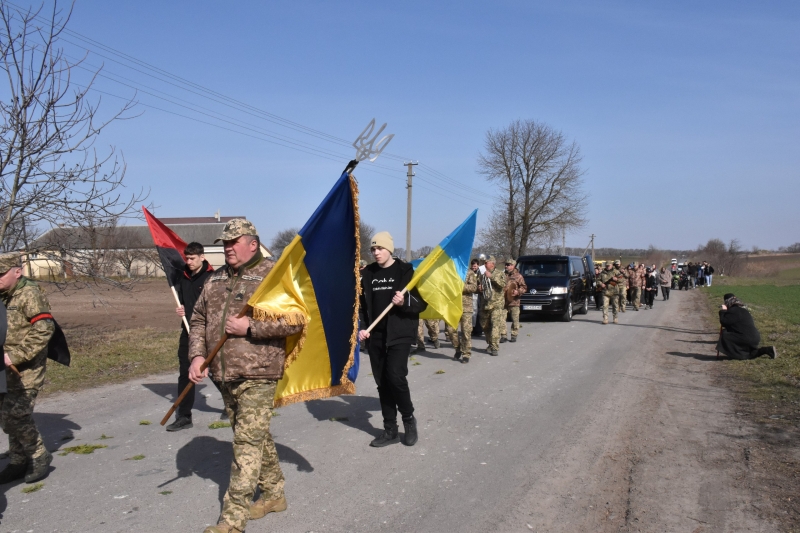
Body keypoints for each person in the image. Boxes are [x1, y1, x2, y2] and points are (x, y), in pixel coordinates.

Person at [188, 219, 303, 533]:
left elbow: (296, 320)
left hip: (259, 373)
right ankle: (274, 494)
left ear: (253, 243)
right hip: (223, 374)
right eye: (225, 243)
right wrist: (197, 355)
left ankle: (232, 520)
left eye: (233, 242)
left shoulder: (273, 276)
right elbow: (197, 319)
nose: (227, 248)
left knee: (246, 445)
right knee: (255, 436)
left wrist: (251, 327)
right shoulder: (215, 280)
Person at [358, 232, 427, 448]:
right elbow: (360, 307)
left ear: (390, 249)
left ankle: (408, 420)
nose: (376, 253)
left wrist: (404, 301)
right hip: (375, 335)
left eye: (380, 249)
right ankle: (390, 430)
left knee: (396, 376)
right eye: (373, 249)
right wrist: (360, 329)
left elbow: (421, 304)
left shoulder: (405, 271)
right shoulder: (367, 273)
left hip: (399, 333)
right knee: (382, 382)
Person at [0, 253, 55, 485]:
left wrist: (15, 356)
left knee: (16, 414)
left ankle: (39, 455)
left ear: (17, 272)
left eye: (1, 274)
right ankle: (18, 460)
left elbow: (44, 329)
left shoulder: (29, 294)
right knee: (7, 411)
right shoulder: (4, 295)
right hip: (5, 367)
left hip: (27, 367)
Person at [166, 242, 214, 432]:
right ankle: (184, 416)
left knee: (218, 372)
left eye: (193, 258)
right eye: (187, 258)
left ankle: (232, 404)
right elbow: (184, 301)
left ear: (202, 257)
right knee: (186, 372)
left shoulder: (213, 278)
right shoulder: (183, 276)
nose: (189, 262)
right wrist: (181, 309)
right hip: (188, 331)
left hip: (209, 331)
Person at [717, 294, 777, 360]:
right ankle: (767, 350)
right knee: (751, 353)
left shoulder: (733, 311)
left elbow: (724, 322)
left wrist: (723, 311)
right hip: (755, 337)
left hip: (746, 338)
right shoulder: (743, 310)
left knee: (725, 334)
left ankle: (738, 355)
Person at [449, 259, 479, 363]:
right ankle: (458, 349)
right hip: (453, 305)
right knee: (450, 330)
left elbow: (474, 287)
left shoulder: (469, 273)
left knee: (466, 331)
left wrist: (460, 286)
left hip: (466, 306)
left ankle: (466, 353)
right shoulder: (450, 272)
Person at [479, 256, 507, 356]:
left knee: (495, 326)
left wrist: (491, 277)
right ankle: (490, 344)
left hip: (497, 304)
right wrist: (479, 288)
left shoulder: (500, 273)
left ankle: (495, 347)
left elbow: (503, 285)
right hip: (485, 304)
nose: (484, 265)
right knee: (485, 325)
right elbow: (479, 286)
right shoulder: (482, 274)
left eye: (486, 263)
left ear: (492, 264)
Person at [500, 258, 526, 343]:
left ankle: (514, 334)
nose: (506, 266)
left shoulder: (518, 276)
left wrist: (518, 291)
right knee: (502, 319)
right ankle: (503, 335)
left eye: (508, 265)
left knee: (515, 319)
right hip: (503, 301)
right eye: (506, 265)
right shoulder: (502, 275)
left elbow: (524, 287)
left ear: (513, 266)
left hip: (514, 301)